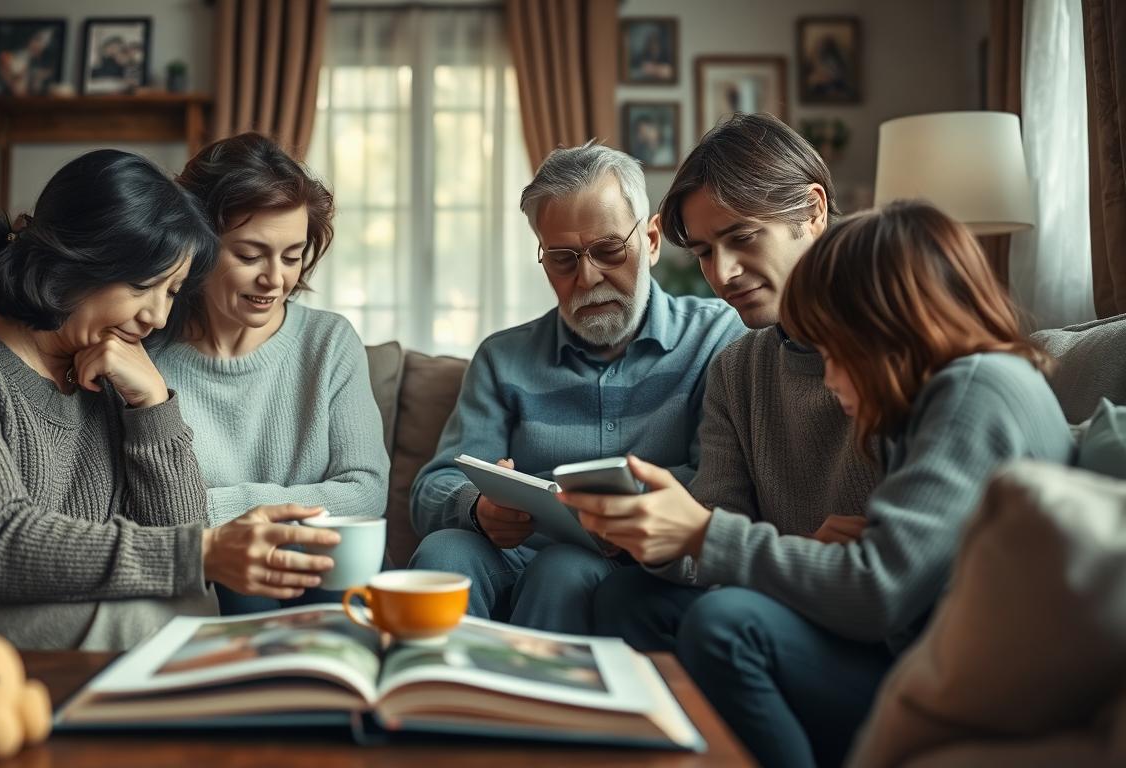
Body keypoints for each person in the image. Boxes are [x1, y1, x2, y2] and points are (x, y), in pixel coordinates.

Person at [565, 201, 1075, 768]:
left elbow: (878, 592)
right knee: (639, 601)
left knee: (726, 627)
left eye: (835, 351)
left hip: (960, 681)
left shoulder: (975, 392)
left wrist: (707, 533)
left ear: (891, 325)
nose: (828, 379)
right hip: (913, 645)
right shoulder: (940, 396)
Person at [0, 149, 344, 651]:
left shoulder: (103, 362)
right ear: (80, 259)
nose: (157, 316)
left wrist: (152, 404)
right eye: (143, 287)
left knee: (186, 603)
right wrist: (202, 551)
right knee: (146, 621)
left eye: (172, 292)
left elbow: (175, 535)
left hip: (17, 610)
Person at [407, 141, 745, 634]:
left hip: (640, 566)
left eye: (608, 250)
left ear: (650, 240)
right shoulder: (503, 358)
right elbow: (431, 489)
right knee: (444, 550)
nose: (587, 278)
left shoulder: (716, 338)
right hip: (513, 553)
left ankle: (545, 707)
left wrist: (620, 508)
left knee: (564, 568)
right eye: (563, 259)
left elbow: (721, 485)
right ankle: (428, 706)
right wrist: (477, 509)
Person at [594, 112, 881, 633]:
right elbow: (713, 534)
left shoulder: (896, 343)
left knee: (721, 619)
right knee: (628, 596)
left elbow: (893, 557)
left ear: (813, 211)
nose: (722, 274)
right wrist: (659, 535)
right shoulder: (738, 366)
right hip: (773, 591)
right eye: (704, 252)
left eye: (744, 237)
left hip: (860, 609)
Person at [159, 132, 389, 611]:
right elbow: (144, 513)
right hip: (218, 579)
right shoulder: (148, 355)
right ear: (197, 245)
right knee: (244, 587)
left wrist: (228, 508)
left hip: (328, 573)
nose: (276, 279)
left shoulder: (328, 341)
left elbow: (366, 492)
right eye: (249, 255)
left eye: (292, 255)